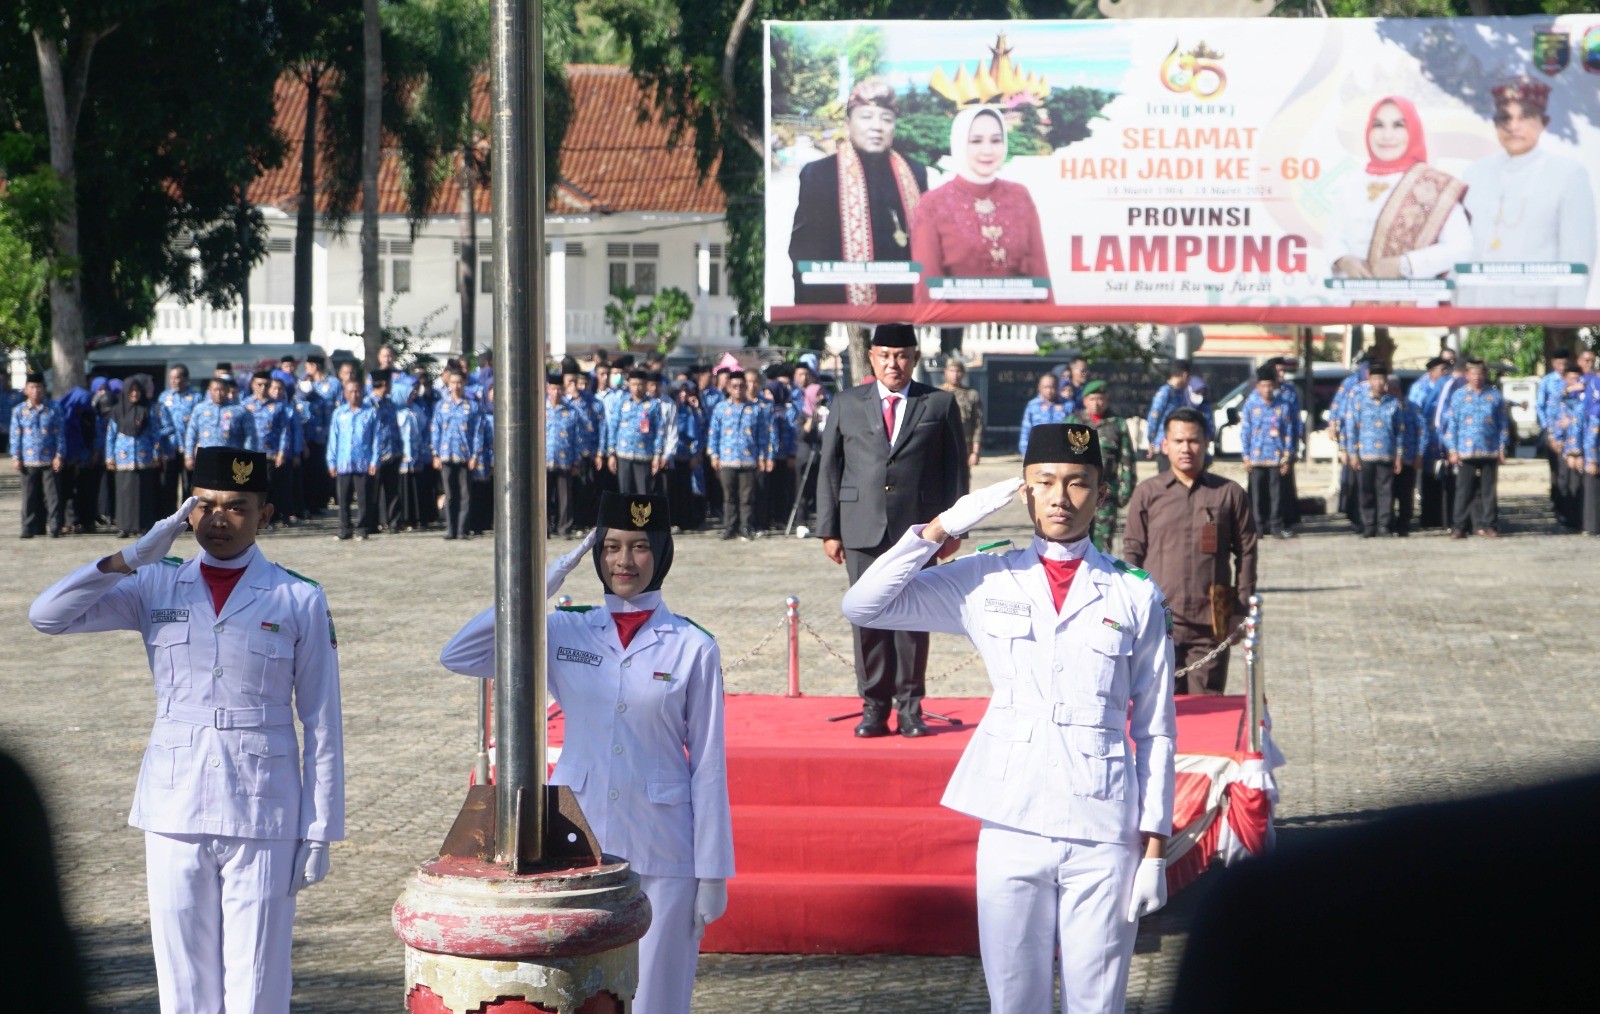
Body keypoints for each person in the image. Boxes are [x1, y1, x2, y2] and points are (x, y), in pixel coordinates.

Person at [839, 423, 1174, 1014]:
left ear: (1100, 493)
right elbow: (864, 604)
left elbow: (1155, 729)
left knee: (1098, 1004)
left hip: (1103, 826)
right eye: (1044, 482)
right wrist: (943, 527)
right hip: (1011, 820)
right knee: (1013, 1001)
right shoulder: (986, 576)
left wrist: (1153, 849)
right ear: (1023, 491)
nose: (1060, 498)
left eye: (1077, 483)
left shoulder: (1133, 594)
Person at [28, 446, 343, 1014]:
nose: (219, 520)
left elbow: (322, 721)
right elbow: (47, 616)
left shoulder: (298, 596)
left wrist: (320, 828)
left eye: (238, 508)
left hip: (263, 806)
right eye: (207, 505)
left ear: (264, 516)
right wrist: (130, 557)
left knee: (258, 980)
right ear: (187, 509)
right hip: (174, 802)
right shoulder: (157, 583)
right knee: (182, 982)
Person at [439, 493, 733, 1014]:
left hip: (664, 846)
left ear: (662, 552)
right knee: (580, 994)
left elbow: (708, 766)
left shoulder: (692, 645)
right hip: (580, 839)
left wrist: (712, 872)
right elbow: (461, 654)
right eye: (612, 546)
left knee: (657, 1000)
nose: (625, 561)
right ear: (595, 553)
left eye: (641, 547)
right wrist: (544, 581)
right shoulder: (565, 630)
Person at [816, 324, 968, 737]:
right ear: (871, 357)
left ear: (915, 359)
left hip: (919, 532)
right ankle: (874, 706)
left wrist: (955, 527)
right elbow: (830, 467)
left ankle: (910, 708)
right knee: (867, 620)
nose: (892, 364)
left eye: (901, 356)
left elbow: (955, 470)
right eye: (884, 355)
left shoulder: (937, 404)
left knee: (914, 619)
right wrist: (829, 529)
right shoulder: (847, 403)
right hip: (861, 528)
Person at [1123, 408, 1257, 695]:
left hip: (1209, 623)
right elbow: (1132, 553)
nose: (1186, 448)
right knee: (1157, 714)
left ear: (1207, 442)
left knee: (1205, 711)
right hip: (1157, 622)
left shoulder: (1228, 493)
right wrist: (1131, 609)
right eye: (1178, 441)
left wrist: (1240, 609)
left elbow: (1246, 552)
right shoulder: (1147, 493)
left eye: (1194, 441)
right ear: (1165, 445)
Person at [788, 78, 929, 306]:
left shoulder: (915, 172)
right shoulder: (819, 174)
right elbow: (804, 253)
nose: (876, 126)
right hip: (841, 307)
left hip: (904, 308)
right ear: (847, 123)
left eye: (886, 118)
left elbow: (928, 247)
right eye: (866, 117)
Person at [1460, 78, 1597, 309]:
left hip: (1536, 315)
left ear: (1543, 123)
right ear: (1495, 124)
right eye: (1505, 117)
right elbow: (1462, 250)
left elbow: (1577, 257)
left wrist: (1565, 324)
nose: (1513, 126)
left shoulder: (1568, 174)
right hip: (1477, 310)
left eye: (1524, 117)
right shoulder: (1474, 174)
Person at [1324, 96, 1470, 303]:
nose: (1387, 135)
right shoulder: (1352, 182)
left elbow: (1461, 248)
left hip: (1414, 309)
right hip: (1356, 306)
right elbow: (1333, 237)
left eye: (1398, 125)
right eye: (1379, 125)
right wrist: (1343, 260)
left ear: (1413, 131)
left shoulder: (1433, 185)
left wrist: (1405, 264)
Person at [910, 105, 1050, 303]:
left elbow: (1040, 276)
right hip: (958, 329)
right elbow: (927, 292)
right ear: (959, 143)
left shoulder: (1019, 196)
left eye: (996, 140)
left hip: (1018, 329)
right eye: (976, 141)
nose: (988, 150)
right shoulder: (932, 204)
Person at [1441, 357, 1509, 538]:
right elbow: (1451, 425)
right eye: (1473, 374)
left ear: (1485, 375)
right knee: (1464, 491)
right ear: (1466, 375)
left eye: (1480, 374)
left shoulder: (1494, 396)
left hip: (1489, 450)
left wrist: (1502, 448)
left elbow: (1503, 425)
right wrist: (1452, 450)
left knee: (1489, 491)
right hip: (1465, 451)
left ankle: (1489, 525)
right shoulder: (1459, 396)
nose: (1477, 377)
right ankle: (1459, 526)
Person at [1067, 380, 1137, 554]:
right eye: (1092, 399)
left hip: (1106, 494)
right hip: (1076, 493)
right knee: (1074, 542)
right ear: (1084, 401)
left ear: (1107, 400)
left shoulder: (1117, 424)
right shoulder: (1074, 422)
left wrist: (1125, 491)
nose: (1096, 403)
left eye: (1100, 399)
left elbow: (1127, 460)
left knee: (1103, 546)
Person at [1344, 363, 1408, 539]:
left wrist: (1399, 456)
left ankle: (1384, 525)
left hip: (1387, 454)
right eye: (1375, 378)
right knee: (1366, 491)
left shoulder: (1394, 403)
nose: (1379, 382)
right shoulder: (1358, 401)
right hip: (1365, 454)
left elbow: (1400, 432)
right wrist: (1352, 454)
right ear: (1369, 379)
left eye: (1382, 378)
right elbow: (1351, 429)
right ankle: (1368, 525)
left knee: (1385, 492)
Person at [706, 370, 769, 542]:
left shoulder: (755, 409)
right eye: (734, 386)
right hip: (727, 460)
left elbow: (762, 436)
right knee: (729, 496)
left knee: (747, 497)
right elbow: (713, 434)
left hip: (749, 460)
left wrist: (763, 456)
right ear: (728, 388)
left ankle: (746, 527)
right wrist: (714, 455)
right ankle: (730, 527)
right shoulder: (721, 408)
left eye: (742, 386)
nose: (739, 389)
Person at [104, 375, 164, 537]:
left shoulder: (147, 410)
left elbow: (155, 434)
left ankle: (143, 526)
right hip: (123, 459)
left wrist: (156, 454)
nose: (135, 394)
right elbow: (111, 436)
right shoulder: (117, 412)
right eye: (131, 391)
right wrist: (109, 458)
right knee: (124, 494)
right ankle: (124, 526)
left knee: (143, 493)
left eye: (137, 391)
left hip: (144, 458)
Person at [1239, 366, 1295, 540]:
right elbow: (1245, 432)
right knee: (1256, 495)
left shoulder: (1283, 406)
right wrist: (1246, 456)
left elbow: (1289, 433)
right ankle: (1257, 526)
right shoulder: (1250, 405)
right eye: (1263, 386)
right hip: (1256, 458)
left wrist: (1287, 458)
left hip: (1276, 459)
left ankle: (1276, 526)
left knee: (1276, 495)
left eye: (1270, 386)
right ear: (1258, 386)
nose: (1267, 389)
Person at [10, 372, 64, 538]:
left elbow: (60, 435)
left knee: (52, 496)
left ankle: (54, 527)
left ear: (44, 389)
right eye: (32, 387)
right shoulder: (19, 411)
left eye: (39, 387)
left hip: (49, 459)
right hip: (28, 460)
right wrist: (16, 457)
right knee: (29, 496)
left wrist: (59, 455)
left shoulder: (54, 409)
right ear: (26, 390)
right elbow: (15, 435)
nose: (36, 391)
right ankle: (28, 527)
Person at [327, 377, 381, 542]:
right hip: (343, 462)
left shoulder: (371, 412)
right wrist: (331, 461)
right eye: (351, 391)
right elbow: (333, 438)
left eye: (357, 391)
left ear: (363, 392)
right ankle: (345, 528)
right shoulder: (339, 413)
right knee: (343, 499)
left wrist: (375, 460)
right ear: (345, 393)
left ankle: (363, 528)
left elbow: (377, 438)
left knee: (364, 498)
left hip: (363, 461)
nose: (354, 394)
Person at [608, 369, 668, 497]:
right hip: (623, 454)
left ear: (646, 385)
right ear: (629, 384)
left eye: (640, 384)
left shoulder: (653, 405)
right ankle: (625, 517)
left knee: (643, 495)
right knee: (624, 493)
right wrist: (611, 453)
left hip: (644, 455)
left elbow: (659, 431)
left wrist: (657, 455)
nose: (637, 388)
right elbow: (613, 427)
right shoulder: (622, 403)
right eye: (634, 384)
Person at [547, 371, 589, 539]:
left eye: (559, 389)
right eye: (553, 389)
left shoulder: (572, 411)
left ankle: (564, 528)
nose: (556, 392)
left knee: (565, 497)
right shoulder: (540, 409)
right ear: (547, 389)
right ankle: (545, 529)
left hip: (566, 460)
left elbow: (578, 438)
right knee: (544, 497)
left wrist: (577, 462)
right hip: (545, 460)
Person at [1409, 356, 1450, 527]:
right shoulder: (1420, 388)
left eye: (1447, 369)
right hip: (1427, 441)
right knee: (1428, 480)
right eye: (1442, 369)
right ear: (1431, 372)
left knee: (1446, 480)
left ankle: (1445, 516)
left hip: (1445, 441)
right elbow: (1415, 413)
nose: (1445, 373)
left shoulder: (1449, 386)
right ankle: (1429, 517)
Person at [158, 366, 201, 511]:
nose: (174, 381)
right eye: (171, 378)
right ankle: (168, 516)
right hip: (169, 447)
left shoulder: (196, 397)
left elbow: (200, 424)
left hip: (188, 447)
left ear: (186, 379)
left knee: (188, 484)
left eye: (177, 378)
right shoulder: (164, 397)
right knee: (168, 482)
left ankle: (189, 516)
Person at [1551, 364, 1588, 531]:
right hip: (1565, 445)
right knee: (1564, 481)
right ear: (1565, 379)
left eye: (1577, 379)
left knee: (1579, 482)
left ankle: (1579, 517)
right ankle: (1566, 515)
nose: (1575, 382)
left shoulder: (1584, 396)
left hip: (1582, 445)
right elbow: (1554, 418)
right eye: (1571, 379)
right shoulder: (1561, 397)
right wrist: (1556, 438)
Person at [395, 378, 434, 531]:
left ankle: (417, 517)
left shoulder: (417, 409)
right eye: (409, 393)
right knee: (402, 488)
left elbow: (425, 430)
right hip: (401, 455)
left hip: (417, 455)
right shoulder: (395, 411)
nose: (412, 396)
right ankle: (403, 518)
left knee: (416, 488)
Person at [1393, 376, 1426, 537]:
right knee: (1388, 493)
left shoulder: (1412, 408)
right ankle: (1389, 523)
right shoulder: (1386, 406)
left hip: (1409, 457)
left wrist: (1419, 454)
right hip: (1387, 458)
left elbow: (1422, 432)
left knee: (1406, 493)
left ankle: (1404, 524)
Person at [941, 358, 984, 474]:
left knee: (961, 485)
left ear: (963, 373)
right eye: (951, 371)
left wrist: (975, 452)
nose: (955, 374)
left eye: (958, 371)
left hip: (964, 447)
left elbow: (978, 425)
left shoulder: (971, 395)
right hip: (941, 447)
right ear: (945, 372)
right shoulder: (937, 394)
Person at [1144, 360, 1191, 465]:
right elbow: (1154, 417)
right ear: (1185, 375)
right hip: (1165, 446)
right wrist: (1151, 440)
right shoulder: (1165, 392)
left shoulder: (1180, 393)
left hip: (1178, 443)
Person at [1018, 371, 1071, 458]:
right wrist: (1025, 454)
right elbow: (1026, 431)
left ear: (1058, 387)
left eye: (1052, 387)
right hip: (1038, 453)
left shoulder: (1068, 405)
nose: (1049, 391)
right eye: (1046, 387)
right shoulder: (1032, 406)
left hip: (1062, 453)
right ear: (1039, 387)